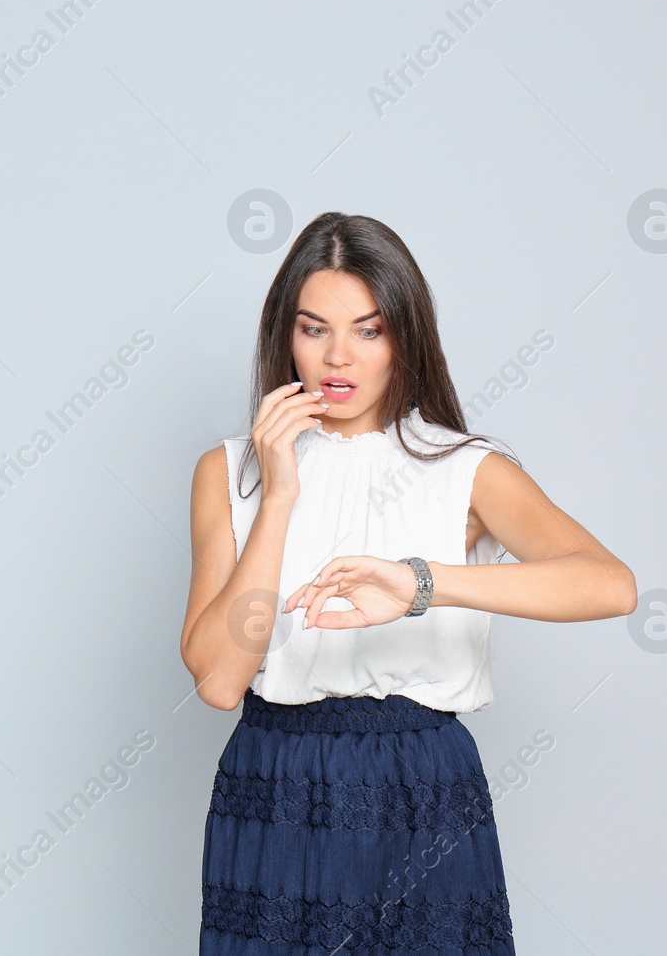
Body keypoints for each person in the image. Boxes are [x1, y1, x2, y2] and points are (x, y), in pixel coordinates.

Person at [180, 212, 637, 955]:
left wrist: (424, 583)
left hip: (421, 778)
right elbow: (219, 679)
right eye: (313, 327)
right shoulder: (228, 472)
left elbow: (609, 585)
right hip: (276, 776)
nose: (338, 356)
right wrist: (281, 496)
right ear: (283, 335)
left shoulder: (462, 466)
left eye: (368, 329)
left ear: (404, 337)